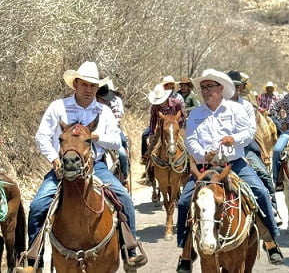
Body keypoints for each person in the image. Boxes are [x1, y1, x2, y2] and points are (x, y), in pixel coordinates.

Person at [24, 61, 146, 271]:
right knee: (37, 206)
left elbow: (116, 142)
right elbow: (42, 136)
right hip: (61, 167)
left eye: (93, 86)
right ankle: (33, 258)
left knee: (123, 198)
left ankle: (130, 250)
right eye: (84, 85)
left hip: (95, 167)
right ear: (76, 85)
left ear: (97, 88)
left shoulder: (103, 111)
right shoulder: (58, 107)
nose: (89, 89)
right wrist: (54, 159)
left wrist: (96, 136)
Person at [176, 69, 283, 272]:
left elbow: (249, 131)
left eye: (210, 86)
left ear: (221, 88)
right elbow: (190, 140)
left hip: (234, 163)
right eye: (203, 87)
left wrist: (234, 139)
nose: (206, 90)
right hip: (205, 166)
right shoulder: (196, 114)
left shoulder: (236, 109)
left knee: (259, 192)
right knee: (184, 202)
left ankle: (270, 241)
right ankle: (185, 252)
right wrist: (202, 154)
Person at [226, 70, 279, 214]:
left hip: (245, 148)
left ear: (242, 88)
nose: (233, 90)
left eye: (237, 87)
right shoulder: (218, 105)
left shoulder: (247, 106)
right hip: (220, 151)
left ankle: (272, 208)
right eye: (230, 86)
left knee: (263, 174)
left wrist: (237, 141)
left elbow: (252, 131)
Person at [140, 82, 186, 164]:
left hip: (175, 127)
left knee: (186, 144)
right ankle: (147, 160)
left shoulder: (176, 103)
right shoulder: (155, 107)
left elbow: (182, 116)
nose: (160, 103)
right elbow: (153, 120)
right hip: (160, 128)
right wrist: (151, 133)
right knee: (148, 139)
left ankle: (188, 164)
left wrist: (175, 124)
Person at [96, 82, 129, 184]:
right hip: (97, 130)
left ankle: (125, 174)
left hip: (113, 129)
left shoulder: (116, 101)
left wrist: (110, 124)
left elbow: (118, 116)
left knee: (122, 149)